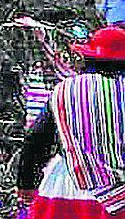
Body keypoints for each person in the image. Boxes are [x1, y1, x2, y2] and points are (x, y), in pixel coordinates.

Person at [18, 25, 125, 219]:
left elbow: (37, 139)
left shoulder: (65, 90)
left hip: (66, 189)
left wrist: (26, 184)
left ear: (89, 57)